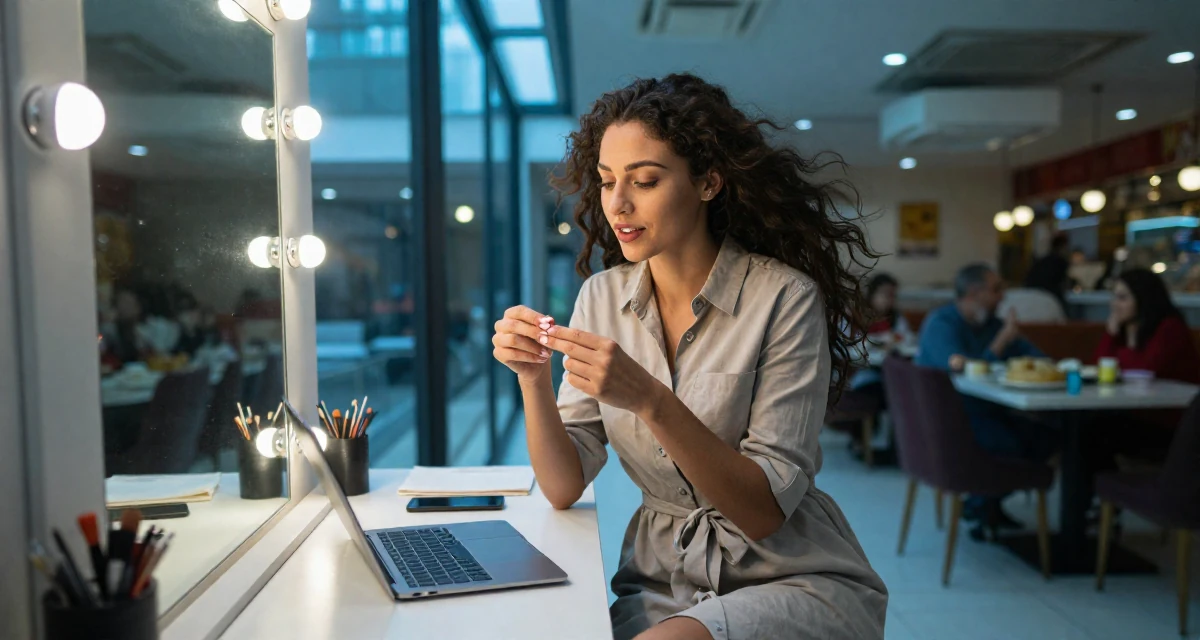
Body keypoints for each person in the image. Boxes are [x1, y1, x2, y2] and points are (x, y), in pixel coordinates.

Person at [492, 74, 887, 640]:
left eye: (645, 180)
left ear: (708, 183)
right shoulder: (600, 297)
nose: (618, 204)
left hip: (789, 574)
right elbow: (563, 484)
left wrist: (649, 398)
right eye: (606, 183)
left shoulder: (784, 297)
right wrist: (532, 379)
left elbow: (762, 514)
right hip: (662, 580)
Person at [916, 264, 1057, 534]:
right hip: (952, 422)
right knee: (1011, 446)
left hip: (991, 413)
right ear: (973, 292)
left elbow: (1037, 357)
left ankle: (982, 503)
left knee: (1049, 436)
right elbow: (964, 368)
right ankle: (982, 503)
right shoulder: (942, 323)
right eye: (996, 290)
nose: (1002, 297)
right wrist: (1001, 343)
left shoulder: (992, 324)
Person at [1095, 268, 1200, 384]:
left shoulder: (1170, 327)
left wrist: (1128, 341)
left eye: (1122, 298)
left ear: (1142, 299)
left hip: (1182, 398)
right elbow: (1100, 367)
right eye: (1114, 297)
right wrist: (1110, 335)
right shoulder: (1123, 328)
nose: (1114, 304)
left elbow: (1144, 371)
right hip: (1144, 397)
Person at [1023, 233, 1071, 309]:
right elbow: (1062, 283)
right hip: (1049, 297)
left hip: (1030, 295)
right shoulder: (1060, 261)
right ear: (1063, 246)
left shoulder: (1042, 261)